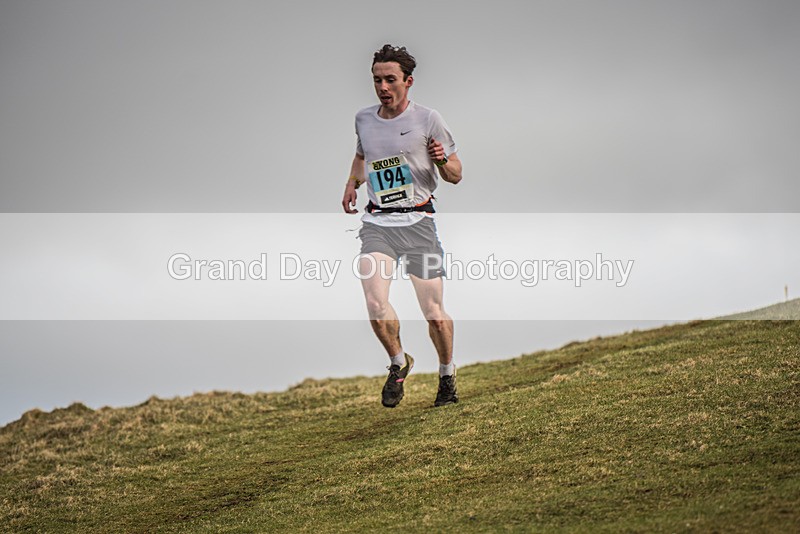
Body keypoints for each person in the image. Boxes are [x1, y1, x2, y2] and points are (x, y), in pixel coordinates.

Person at [341, 44, 463, 408]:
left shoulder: (428, 119)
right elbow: (363, 154)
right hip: (378, 222)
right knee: (377, 304)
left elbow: (456, 174)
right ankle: (398, 363)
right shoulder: (364, 118)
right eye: (377, 80)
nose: (383, 86)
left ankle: (446, 377)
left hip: (419, 224)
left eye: (390, 79)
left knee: (435, 315)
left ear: (408, 82)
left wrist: (442, 161)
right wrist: (351, 182)